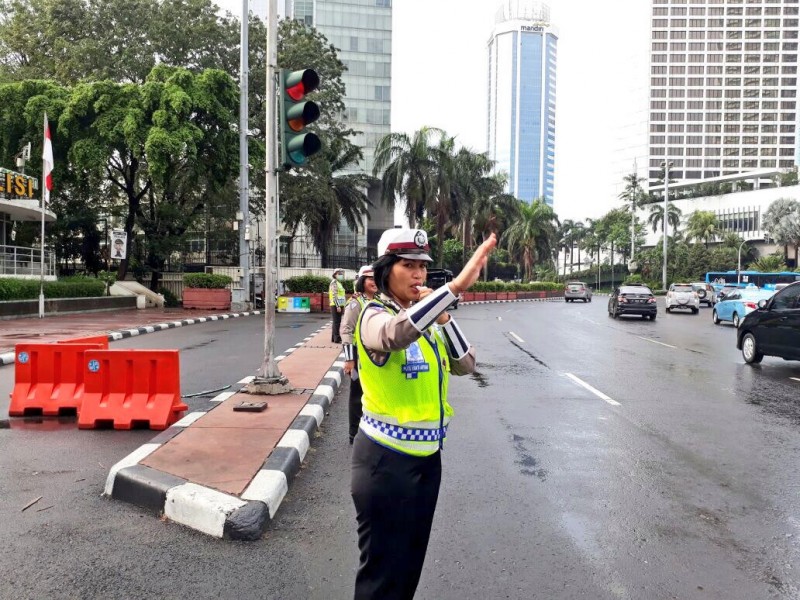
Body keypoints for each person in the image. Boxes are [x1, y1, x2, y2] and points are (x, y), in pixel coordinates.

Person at [351, 228, 497, 600]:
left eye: (422, 266)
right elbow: (392, 336)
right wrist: (455, 289)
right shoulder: (373, 314)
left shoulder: (429, 320)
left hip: (427, 462)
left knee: (409, 568)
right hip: (385, 463)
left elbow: (466, 364)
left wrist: (446, 316)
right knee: (382, 572)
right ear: (386, 270)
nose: (418, 274)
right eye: (407, 265)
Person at [340, 265, 378, 445]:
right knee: (357, 396)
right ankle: (354, 434)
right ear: (363, 281)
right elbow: (346, 330)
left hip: (376, 356)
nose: (374, 282)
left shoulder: (380, 301)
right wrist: (349, 359)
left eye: (377, 278)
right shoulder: (356, 303)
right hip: (358, 355)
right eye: (370, 279)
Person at [329, 268, 346, 343]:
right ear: (335, 275)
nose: (341, 275)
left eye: (341, 274)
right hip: (336, 305)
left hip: (340, 305)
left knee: (337, 321)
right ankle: (337, 338)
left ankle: (334, 337)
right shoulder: (334, 283)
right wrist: (338, 306)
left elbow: (341, 295)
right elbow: (334, 295)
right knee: (336, 322)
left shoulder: (339, 283)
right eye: (339, 274)